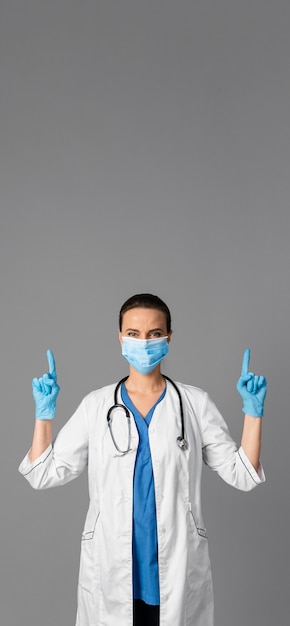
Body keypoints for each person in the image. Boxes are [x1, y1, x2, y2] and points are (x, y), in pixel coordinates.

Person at [19, 293, 266, 626]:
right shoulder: (96, 406)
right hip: (110, 569)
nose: (144, 342)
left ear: (168, 338)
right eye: (133, 334)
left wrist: (252, 413)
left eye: (154, 334)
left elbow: (243, 475)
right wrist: (43, 415)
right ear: (120, 338)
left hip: (175, 571)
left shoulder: (194, 404)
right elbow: (43, 473)